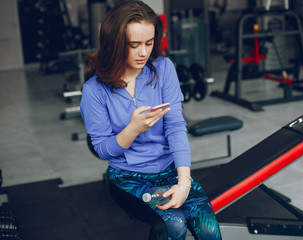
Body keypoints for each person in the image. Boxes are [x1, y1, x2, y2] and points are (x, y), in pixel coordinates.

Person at [80, 1, 222, 239]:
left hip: (169, 169)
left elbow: (176, 127)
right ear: (114, 44)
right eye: (134, 45)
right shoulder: (94, 90)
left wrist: (183, 182)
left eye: (149, 42)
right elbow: (103, 150)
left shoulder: (163, 68)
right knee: (174, 225)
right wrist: (133, 129)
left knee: (208, 229)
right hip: (128, 176)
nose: (144, 52)